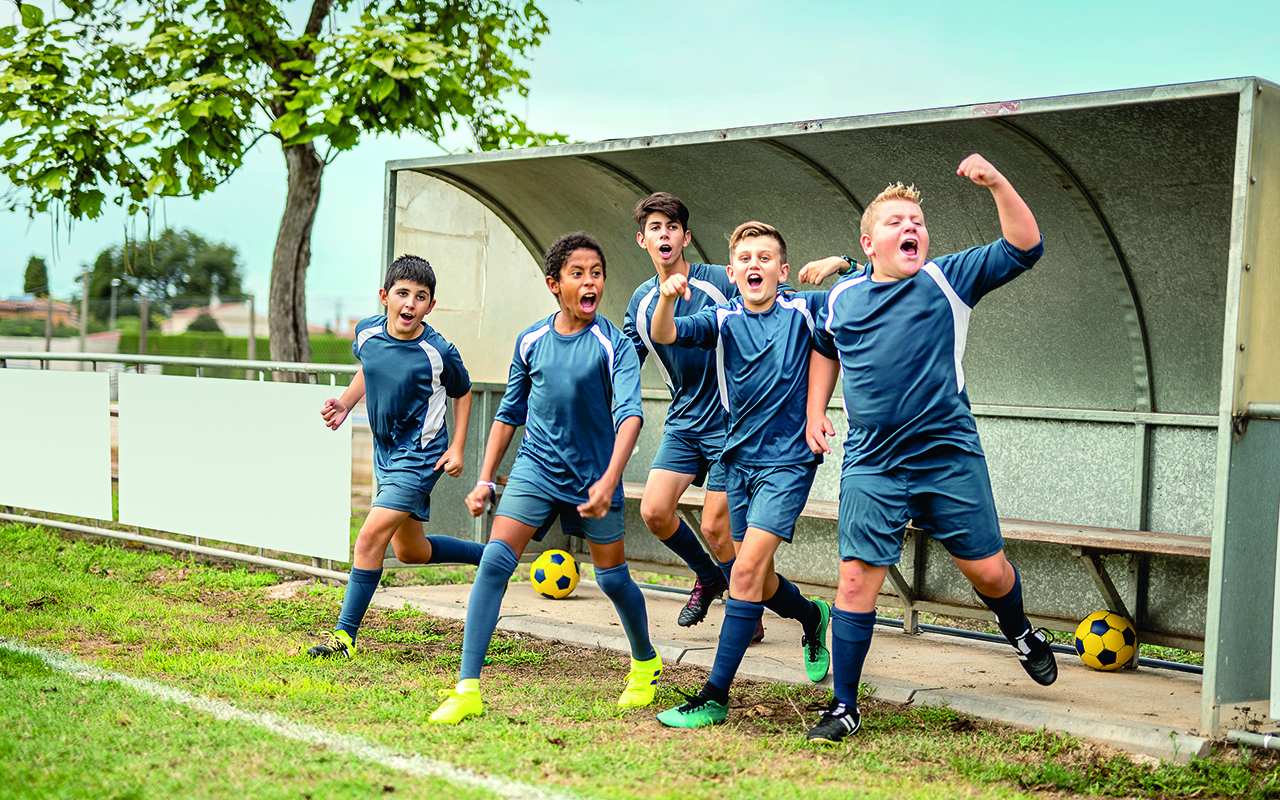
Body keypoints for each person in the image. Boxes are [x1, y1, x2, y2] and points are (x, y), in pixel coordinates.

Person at [803, 154, 1054, 744]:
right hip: (872, 459)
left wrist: (996, 181)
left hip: (947, 454)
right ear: (869, 243)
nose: (910, 227)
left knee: (989, 573)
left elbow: (1026, 245)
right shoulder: (840, 300)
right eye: (895, 221)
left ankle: (1018, 631)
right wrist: (817, 411)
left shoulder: (949, 279)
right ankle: (844, 706)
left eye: (916, 220)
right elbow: (824, 346)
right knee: (855, 581)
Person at [428, 231, 661, 724]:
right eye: (578, 273)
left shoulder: (612, 344)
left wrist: (609, 480)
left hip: (596, 475)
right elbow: (509, 413)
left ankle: (644, 662)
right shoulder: (531, 339)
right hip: (536, 468)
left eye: (596, 272)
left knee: (614, 578)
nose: (590, 281)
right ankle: (467, 687)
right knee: (494, 563)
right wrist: (486, 479)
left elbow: (630, 416)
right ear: (554, 283)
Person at [648, 221, 832, 728]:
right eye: (746, 258)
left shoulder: (804, 309)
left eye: (765, 257)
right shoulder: (721, 317)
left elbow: (874, 288)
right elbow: (664, 333)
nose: (755, 265)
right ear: (733, 272)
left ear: (782, 269)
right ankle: (812, 616)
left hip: (788, 462)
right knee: (759, 575)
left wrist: (842, 265)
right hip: (736, 460)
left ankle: (714, 695)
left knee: (746, 573)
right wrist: (667, 297)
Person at [309, 254, 481, 660]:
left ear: (430, 306)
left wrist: (456, 447)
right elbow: (370, 368)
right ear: (385, 296)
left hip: (420, 457)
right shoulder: (367, 333)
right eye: (402, 294)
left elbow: (463, 391)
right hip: (386, 453)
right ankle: (490, 556)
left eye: (420, 297)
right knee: (411, 551)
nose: (410, 304)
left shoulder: (438, 351)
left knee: (369, 538)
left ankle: (344, 637)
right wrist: (347, 403)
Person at [623, 193, 747, 635]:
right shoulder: (640, 299)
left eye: (671, 227)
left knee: (717, 528)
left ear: (686, 238)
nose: (664, 234)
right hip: (684, 421)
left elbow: (772, 300)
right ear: (643, 240)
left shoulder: (718, 281)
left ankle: (744, 609)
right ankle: (709, 576)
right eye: (655, 228)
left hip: (731, 424)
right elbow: (624, 363)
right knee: (655, 511)